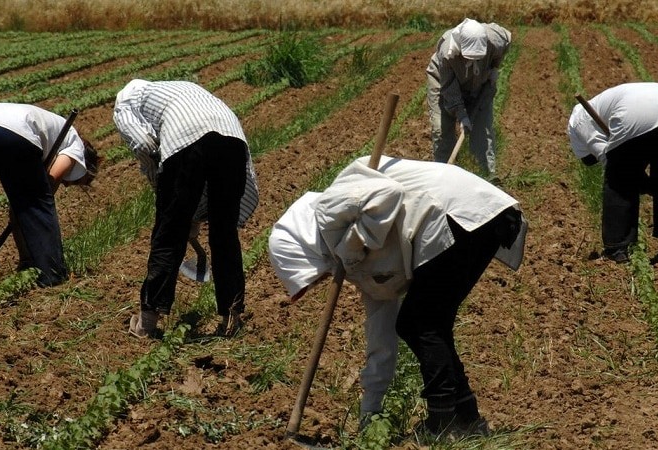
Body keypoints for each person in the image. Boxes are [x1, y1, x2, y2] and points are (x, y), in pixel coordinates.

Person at [268, 156, 527, 437]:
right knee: (426, 323)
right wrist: (370, 410)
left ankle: (444, 423)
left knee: (421, 323)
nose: (322, 281)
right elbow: (382, 337)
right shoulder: (355, 263)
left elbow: (386, 193)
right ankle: (466, 416)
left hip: (461, 213)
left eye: (314, 277)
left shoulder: (330, 211)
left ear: (304, 252)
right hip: (474, 221)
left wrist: (351, 249)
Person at [113, 79, 259, 338]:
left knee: (169, 233)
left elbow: (145, 145)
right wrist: (191, 213)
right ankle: (232, 317)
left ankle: (147, 323)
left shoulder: (125, 102)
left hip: (187, 136)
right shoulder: (176, 89)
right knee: (224, 234)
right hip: (232, 136)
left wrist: (164, 194)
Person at [0, 103, 99, 287]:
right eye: (76, 181)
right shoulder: (74, 143)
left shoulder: (56, 127)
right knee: (37, 204)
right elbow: (50, 181)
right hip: (15, 132)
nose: (68, 184)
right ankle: (51, 274)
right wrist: (31, 204)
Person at [567, 82, 658, 263]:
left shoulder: (578, 119)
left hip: (637, 113)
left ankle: (616, 248)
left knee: (619, 180)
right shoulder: (600, 106)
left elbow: (608, 159)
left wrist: (639, 180)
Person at [427, 18, 511, 179]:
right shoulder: (447, 53)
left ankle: (487, 177)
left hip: (480, 82)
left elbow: (507, 42)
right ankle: (444, 177)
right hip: (443, 82)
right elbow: (449, 89)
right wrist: (462, 114)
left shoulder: (496, 38)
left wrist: (494, 66)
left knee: (482, 129)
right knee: (441, 129)